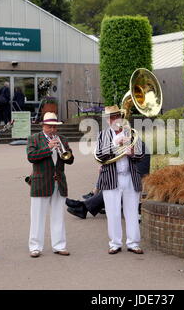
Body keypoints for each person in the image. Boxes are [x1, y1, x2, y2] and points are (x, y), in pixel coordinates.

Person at [94, 105, 144, 255]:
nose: (115, 120)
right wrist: (116, 143)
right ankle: (115, 243)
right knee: (113, 212)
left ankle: (133, 243)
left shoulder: (132, 134)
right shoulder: (103, 135)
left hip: (130, 177)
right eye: (112, 117)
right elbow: (99, 155)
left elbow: (141, 155)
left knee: (132, 212)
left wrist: (132, 153)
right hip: (111, 178)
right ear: (108, 120)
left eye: (117, 116)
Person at [26, 112, 74, 258]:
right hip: (40, 182)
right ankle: (35, 247)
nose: (53, 129)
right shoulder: (34, 139)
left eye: (55, 126)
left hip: (58, 182)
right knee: (37, 217)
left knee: (58, 215)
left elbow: (70, 160)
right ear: (43, 126)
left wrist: (63, 151)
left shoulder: (63, 139)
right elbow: (31, 157)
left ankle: (59, 246)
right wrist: (48, 148)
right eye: (50, 126)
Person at [66, 142, 150, 219]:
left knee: (112, 186)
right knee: (106, 170)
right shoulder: (126, 145)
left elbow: (138, 172)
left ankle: (84, 205)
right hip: (127, 179)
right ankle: (90, 199)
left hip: (135, 181)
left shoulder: (138, 146)